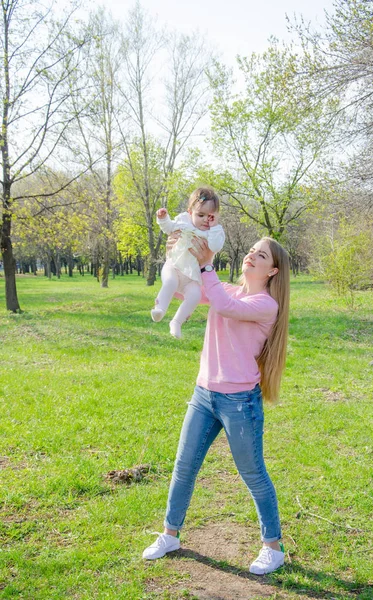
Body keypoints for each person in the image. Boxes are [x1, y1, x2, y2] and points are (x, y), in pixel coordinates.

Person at [143, 234, 290, 575]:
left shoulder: (266, 305)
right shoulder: (229, 289)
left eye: (261, 255)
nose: (252, 255)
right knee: (183, 467)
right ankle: (170, 534)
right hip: (204, 395)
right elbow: (184, 291)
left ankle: (273, 546)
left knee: (253, 474)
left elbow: (224, 306)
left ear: (272, 270)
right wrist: (179, 257)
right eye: (251, 250)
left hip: (239, 402)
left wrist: (207, 264)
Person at [152, 187, 225, 338]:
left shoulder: (214, 232)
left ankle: (177, 322)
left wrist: (215, 226)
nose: (205, 219)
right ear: (190, 212)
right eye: (200, 215)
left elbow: (216, 247)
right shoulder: (183, 221)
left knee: (195, 295)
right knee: (170, 282)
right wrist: (163, 218)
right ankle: (160, 309)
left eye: (210, 216)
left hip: (191, 276)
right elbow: (169, 228)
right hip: (174, 266)